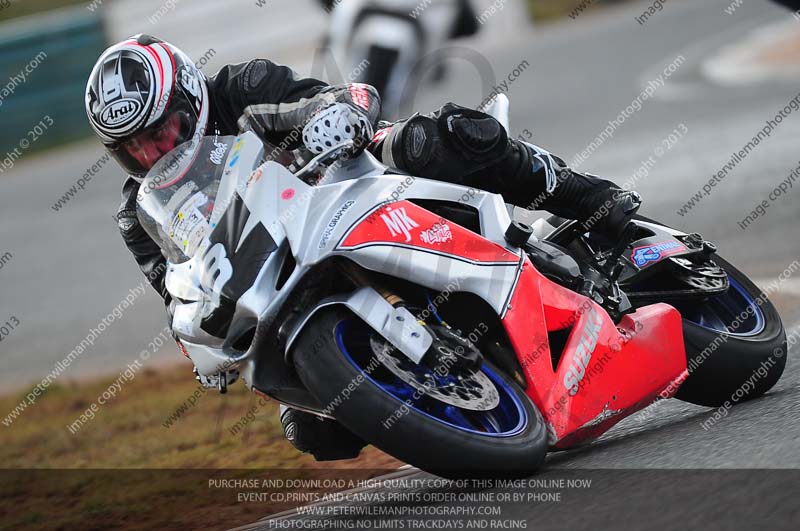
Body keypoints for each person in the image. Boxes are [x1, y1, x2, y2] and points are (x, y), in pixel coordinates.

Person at [85, 35, 640, 461]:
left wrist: (335, 115)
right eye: (133, 148)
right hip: (276, 277)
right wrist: (200, 345)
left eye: (162, 131)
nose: (154, 151)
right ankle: (435, 400)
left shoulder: (242, 89)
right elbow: (176, 291)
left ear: (190, 98)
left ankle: (587, 197)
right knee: (311, 430)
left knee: (431, 140)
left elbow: (329, 98)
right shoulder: (139, 218)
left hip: (348, 186)